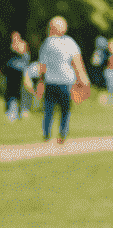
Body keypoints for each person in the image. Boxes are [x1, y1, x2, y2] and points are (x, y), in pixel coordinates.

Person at [38, 15, 89, 145]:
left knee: (49, 109)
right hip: (66, 81)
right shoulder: (70, 42)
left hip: (51, 81)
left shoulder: (47, 43)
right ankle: (62, 135)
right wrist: (83, 78)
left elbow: (42, 66)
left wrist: (40, 80)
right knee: (65, 110)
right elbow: (77, 62)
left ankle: (47, 135)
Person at [5, 32, 27, 122]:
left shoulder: (22, 44)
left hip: (20, 71)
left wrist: (16, 47)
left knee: (20, 92)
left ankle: (21, 111)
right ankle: (11, 111)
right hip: (11, 71)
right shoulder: (10, 45)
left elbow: (23, 53)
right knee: (11, 91)